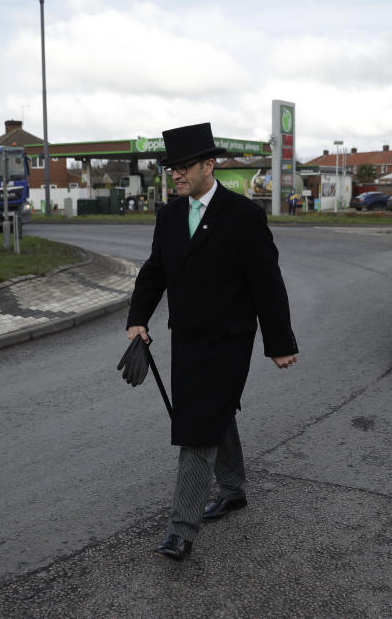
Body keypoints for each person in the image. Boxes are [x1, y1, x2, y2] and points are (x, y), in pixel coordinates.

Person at [125, 122, 298, 562]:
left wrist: (279, 340)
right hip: (185, 340)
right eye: (172, 168)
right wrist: (137, 319)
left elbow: (267, 284)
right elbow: (154, 271)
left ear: (209, 165)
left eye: (183, 167)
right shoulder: (168, 217)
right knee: (215, 411)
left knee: (197, 427)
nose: (176, 175)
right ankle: (234, 489)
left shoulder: (242, 216)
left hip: (227, 342)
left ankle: (181, 529)